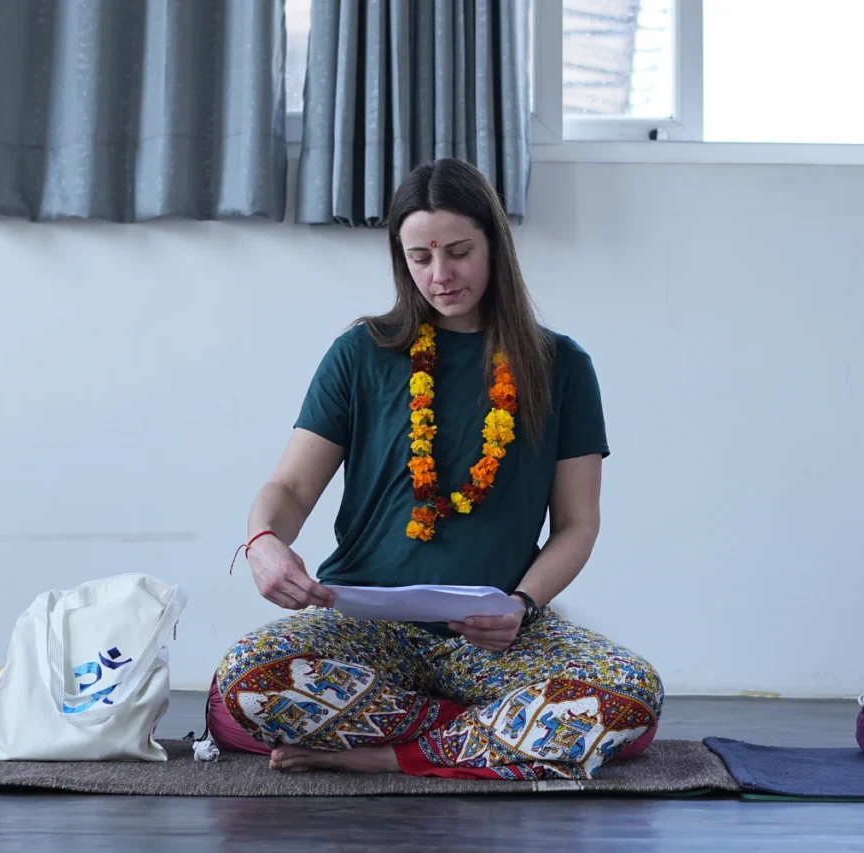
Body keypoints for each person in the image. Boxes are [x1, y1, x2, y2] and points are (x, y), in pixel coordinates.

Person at [214, 158, 663, 780]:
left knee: (630, 690)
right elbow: (289, 487)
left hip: (499, 635)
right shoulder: (360, 353)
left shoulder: (560, 365)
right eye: (419, 257)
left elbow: (577, 525)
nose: (440, 275)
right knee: (249, 675)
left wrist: (521, 604)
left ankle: (387, 755)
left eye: (458, 251)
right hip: (364, 631)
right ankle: (502, 731)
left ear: (495, 247)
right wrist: (264, 542)